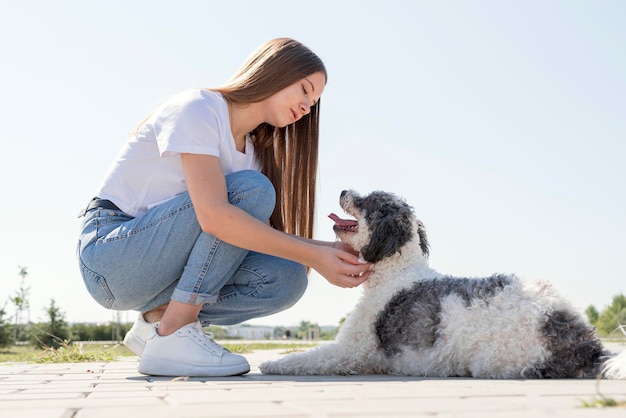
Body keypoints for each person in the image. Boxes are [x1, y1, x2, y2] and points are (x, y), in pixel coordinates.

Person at [76, 38, 372, 377]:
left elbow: (247, 238)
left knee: (287, 277)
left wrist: (327, 251)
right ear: (274, 72)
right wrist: (315, 255)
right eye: (304, 90)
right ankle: (176, 332)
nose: (307, 106)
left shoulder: (254, 157)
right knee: (251, 192)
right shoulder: (199, 107)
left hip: (155, 270)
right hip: (110, 254)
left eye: (313, 102)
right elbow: (215, 216)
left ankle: (158, 324)